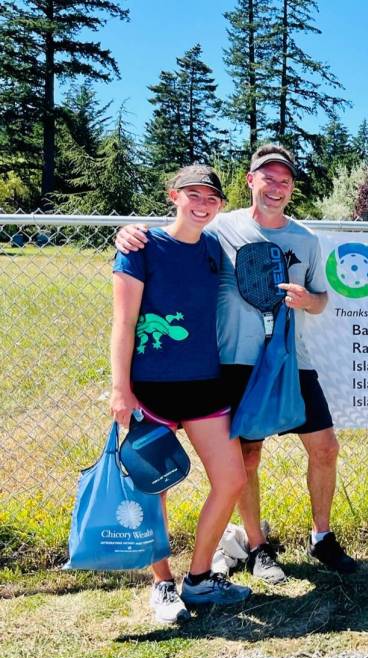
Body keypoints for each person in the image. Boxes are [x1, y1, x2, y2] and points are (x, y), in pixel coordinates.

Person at [115, 145, 358, 584]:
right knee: (247, 457)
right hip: (234, 363)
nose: (276, 186)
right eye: (268, 177)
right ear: (251, 181)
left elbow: (323, 300)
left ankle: (321, 537)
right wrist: (130, 232)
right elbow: (174, 235)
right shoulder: (219, 228)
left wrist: (309, 301)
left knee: (325, 447)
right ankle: (256, 546)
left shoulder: (306, 239)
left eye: (285, 180)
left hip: (290, 362)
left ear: (292, 188)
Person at [110, 165, 251, 624]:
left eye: (212, 198)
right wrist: (120, 390)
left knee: (231, 479)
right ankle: (162, 585)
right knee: (155, 490)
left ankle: (199, 579)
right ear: (174, 195)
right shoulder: (142, 246)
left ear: (220, 206)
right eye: (194, 194)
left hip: (204, 385)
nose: (203, 204)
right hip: (150, 390)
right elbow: (124, 324)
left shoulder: (213, 246)